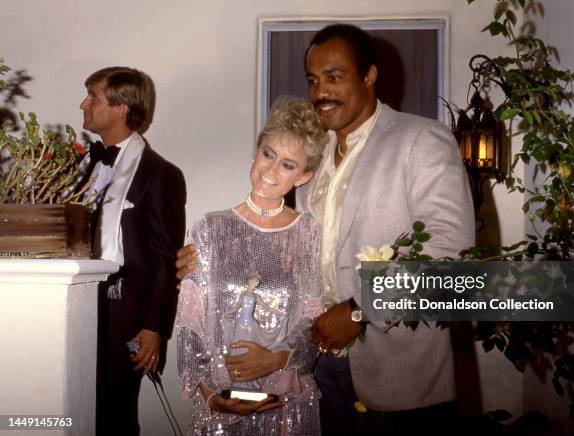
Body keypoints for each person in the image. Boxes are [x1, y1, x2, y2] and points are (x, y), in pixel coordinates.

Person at [177, 24, 474, 435]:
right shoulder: (314, 165)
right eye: (313, 80)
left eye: (334, 77)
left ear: (369, 76)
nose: (321, 92)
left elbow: (451, 253)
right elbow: (295, 260)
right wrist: (210, 263)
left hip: (400, 377)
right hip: (319, 371)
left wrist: (358, 309)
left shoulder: (421, 139)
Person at [176, 96, 328, 435]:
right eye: (268, 154)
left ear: (303, 177)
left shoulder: (309, 233)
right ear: (255, 153)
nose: (271, 171)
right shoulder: (209, 229)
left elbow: (313, 320)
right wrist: (209, 394)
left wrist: (281, 358)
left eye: (288, 165)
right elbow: (191, 324)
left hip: (286, 405)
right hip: (219, 404)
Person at [78, 66, 186, 435]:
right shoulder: (80, 165)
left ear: (121, 107)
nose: (84, 104)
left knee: (115, 412)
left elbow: (163, 257)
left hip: (124, 310)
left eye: (93, 96)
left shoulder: (160, 174)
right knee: (74, 403)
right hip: (76, 303)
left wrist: (154, 327)